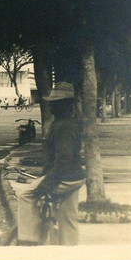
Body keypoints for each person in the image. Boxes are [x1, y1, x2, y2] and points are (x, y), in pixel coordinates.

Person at [15, 82, 86, 245]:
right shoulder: (67, 122)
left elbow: (63, 161)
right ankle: (70, 249)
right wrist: (44, 177)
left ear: (65, 105)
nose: (51, 106)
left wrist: (46, 183)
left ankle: (28, 239)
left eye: (56, 102)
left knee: (26, 196)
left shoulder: (64, 126)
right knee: (68, 216)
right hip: (75, 176)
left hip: (65, 176)